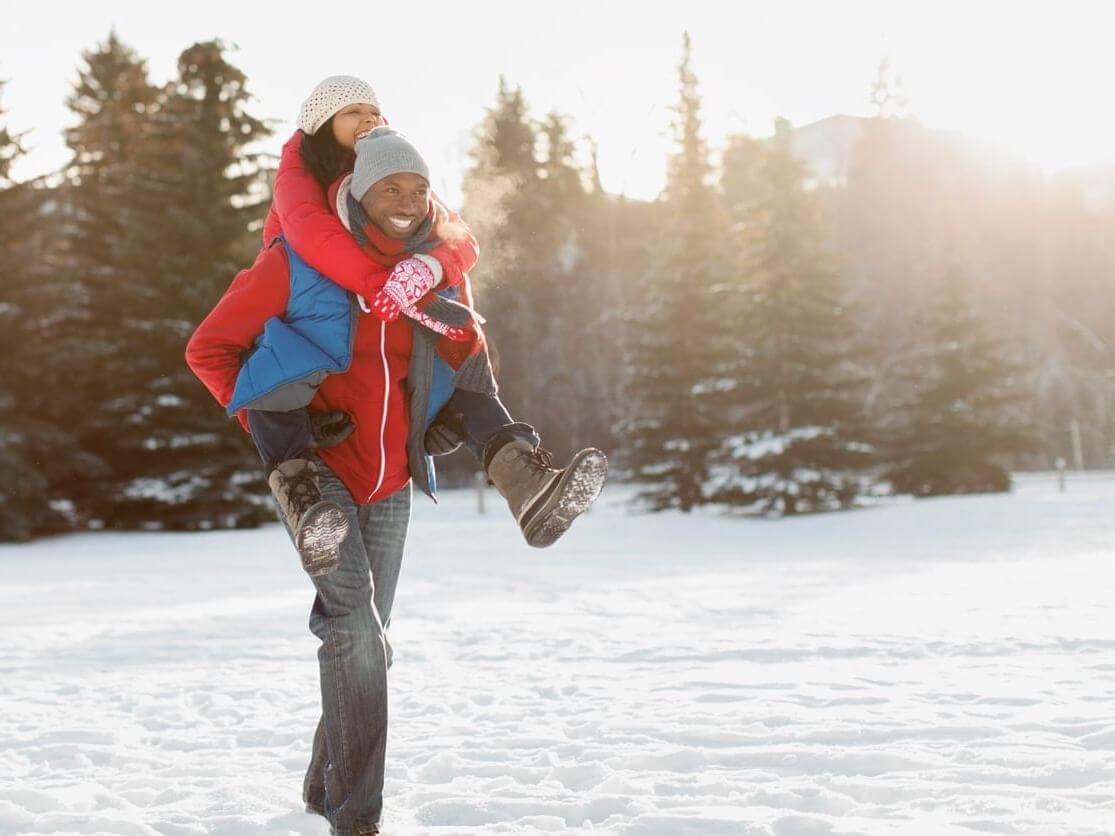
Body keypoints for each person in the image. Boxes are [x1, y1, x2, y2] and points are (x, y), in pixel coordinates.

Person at [217, 76, 606, 574]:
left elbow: (457, 236)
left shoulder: (390, 170)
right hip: (316, 305)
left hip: (382, 298)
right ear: (320, 124)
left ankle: (523, 481)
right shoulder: (298, 175)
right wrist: (382, 284)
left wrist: (430, 268)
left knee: (459, 340)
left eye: (374, 112)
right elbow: (315, 240)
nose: (368, 121)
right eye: (353, 112)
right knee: (281, 376)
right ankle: (302, 495)